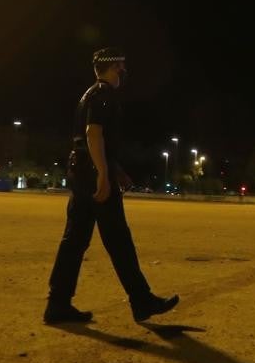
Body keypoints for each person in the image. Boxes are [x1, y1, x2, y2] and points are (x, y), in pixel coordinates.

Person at [44, 47, 179, 324]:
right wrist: (104, 173)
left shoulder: (89, 95)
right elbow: (93, 134)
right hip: (93, 174)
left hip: (82, 172)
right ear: (112, 67)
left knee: (75, 241)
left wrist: (115, 171)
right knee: (119, 240)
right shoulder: (103, 95)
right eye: (121, 66)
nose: (124, 72)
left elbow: (91, 142)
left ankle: (57, 303)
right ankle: (141, 301)